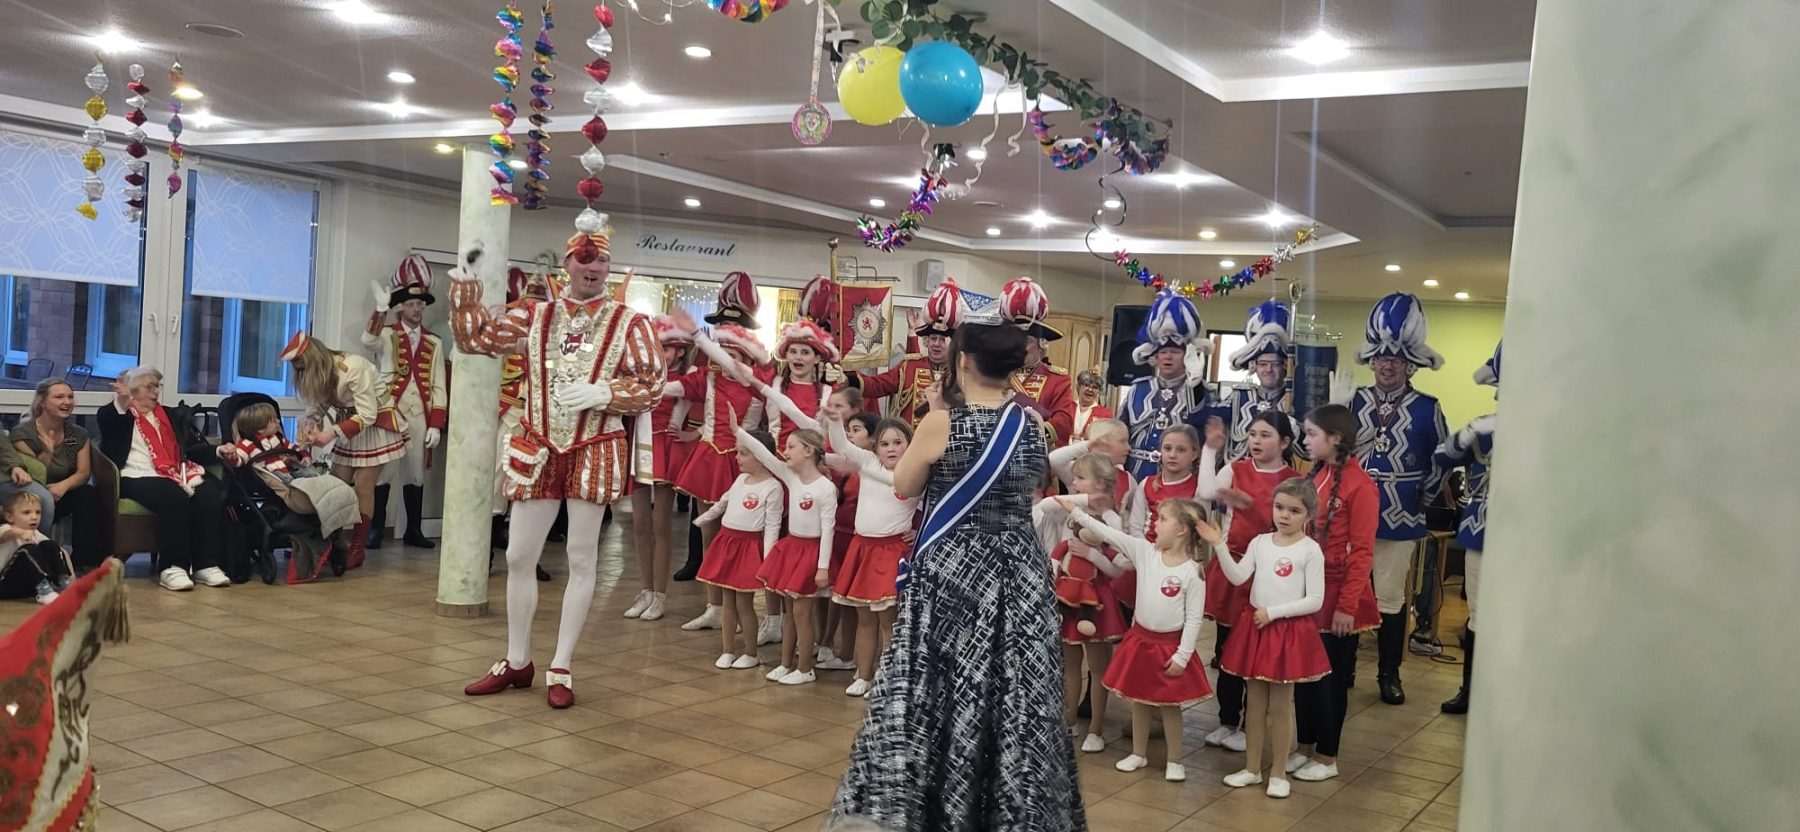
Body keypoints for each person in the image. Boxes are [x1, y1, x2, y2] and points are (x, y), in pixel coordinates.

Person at [831, 304, 1086, 831]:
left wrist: (932, 414)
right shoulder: (1030, 424)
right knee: (1013, 690)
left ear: (963, 360)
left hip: (954, 569)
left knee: (941, 687)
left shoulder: (941, 422)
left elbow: (904, 485)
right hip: (1019, 569)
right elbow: (1031, 483)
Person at [449, 219, 665, 710]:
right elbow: (475, 340)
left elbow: (652, 385)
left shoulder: (631, 323)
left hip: (595, 447)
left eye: (601, 260)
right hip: (539, 444)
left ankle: (561, 665)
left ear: (609, 267)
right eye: (584, 259)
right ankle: (517, 659)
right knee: (518, 556)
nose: (593, 267)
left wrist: (606, 392)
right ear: (567, 264)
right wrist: (465, 282)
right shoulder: (535, 314)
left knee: (582, 558)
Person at [1066, 498, 1214, 783]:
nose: (1154, 522)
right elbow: (1110, 535)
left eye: (1162, 518)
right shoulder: (1146, 553)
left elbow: (1194, 619)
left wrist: (1183, 655)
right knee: (1140, 701)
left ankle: (1174, 760)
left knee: (1170, 706)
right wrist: (1076, 512)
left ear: (1181, 529)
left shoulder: (1193, 572)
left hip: (1170, 647)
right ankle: (1138, 753)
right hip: (1140, 642)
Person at [1348, 292, 1449, 706]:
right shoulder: (1353, 400)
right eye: (1381, 358)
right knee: (1349, 592)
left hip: (1399, 516)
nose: (1387, 365)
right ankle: (1345, 667)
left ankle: (1389, 673)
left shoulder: (1428, 408)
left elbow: (1442, 460)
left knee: (1390, 598)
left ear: (1410, 365)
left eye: (1396, 360)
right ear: (1371, 361)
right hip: (1351, 515)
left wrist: (1420, 501)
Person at [1216, 478, 1330, 800]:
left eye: (1294, 510)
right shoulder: (1260, 543)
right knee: (1254, 703)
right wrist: (1218, 545)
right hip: (1257, 627)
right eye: (1280, 507)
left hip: (1286, 632)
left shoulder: (1310, 550)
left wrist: (1274, 613)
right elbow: (1238, 576)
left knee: (1281, 704)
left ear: (1308, 515)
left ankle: (1278, 773)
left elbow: (1315, 600)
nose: (1285, 515)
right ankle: (1251, 769)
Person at [668, 302, 776, 637]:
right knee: (709, 536)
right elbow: (676, 388)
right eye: (723, 352)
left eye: (733, 354)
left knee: (747, 540)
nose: (726, 360)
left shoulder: (758, 382)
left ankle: (750, 610)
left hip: (747, 467)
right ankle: (714, 607)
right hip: (710, 461)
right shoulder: (709, 378)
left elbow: (776, 418)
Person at [1197, 412, 1300, 753]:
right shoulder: (1237, 469)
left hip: (1268, 574)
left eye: (1265, 435)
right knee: (1226, 648)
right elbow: (1206, 491)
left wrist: (1253, 507)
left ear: (1284, 442)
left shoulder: (1293, 480)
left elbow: (1293, 526)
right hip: (1234, 567)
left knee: (1257, 651)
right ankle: (1227, 720)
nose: (1256, 441)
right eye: (1253, 434)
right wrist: (1211, 449)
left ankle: (1249, 724)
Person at [1290, 404, 1380, 783]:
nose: (1306, 440)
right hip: (1308, 591)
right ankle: (1305, 746)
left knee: (1330, 680)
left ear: (1336, 438)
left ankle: (1327, 756)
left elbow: (1362, 552)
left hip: (1338, 595)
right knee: (1305, 676)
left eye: (1312, 434)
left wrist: (1346, 606)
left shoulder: (1361, 487)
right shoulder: (1315, 477)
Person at [96, 367, 237, 591]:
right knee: (173, 495)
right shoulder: (117, 415)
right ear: (133, 390)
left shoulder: (168, 415)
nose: (155, 391)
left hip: (174, 472)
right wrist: (123, 401)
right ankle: (173, 567)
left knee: (209, 492)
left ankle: (205, 565)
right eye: (149, 386)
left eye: (157, 386)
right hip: (135, 475)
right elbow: (110, 421)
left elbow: (189, 448)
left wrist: (218, 451)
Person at [281, 331, 407, 574]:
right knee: (337, 484)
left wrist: (330, 434)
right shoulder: (322, 371)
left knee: (363, 487)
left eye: (303, 367)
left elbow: (368, 414)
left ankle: (357, 548)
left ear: (314, 360)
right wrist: (311, 423)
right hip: (352, 427)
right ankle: (334, 542)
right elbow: (321, 403)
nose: (302, 373)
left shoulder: (353, 368)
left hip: (376, 427)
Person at [1033, 454, 1126, 754]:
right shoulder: (1070, 509)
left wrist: (1092, 555)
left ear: (1101, 482)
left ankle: (1096, 728)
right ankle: (1069, 718)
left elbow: (1117, 569)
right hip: (1067, 596)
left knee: (1098, 667)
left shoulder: (1113, 520)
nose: (1073, 483)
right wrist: (1086, 498)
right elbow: (1045, 506)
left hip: (1099, 601)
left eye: (1081, 478)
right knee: (1069, 662)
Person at [823, 415, 917, 697]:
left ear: (910, 445)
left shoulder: (916, 474)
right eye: (884, 444)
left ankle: (887, 679)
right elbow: (841, 444)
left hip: (892, 553)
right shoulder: (867, 462)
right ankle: (864, 675)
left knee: (889, 621)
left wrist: (918, 529)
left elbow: (934, 506)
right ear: (875, 448)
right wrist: (834, 421)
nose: (891, 448)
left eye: (898, 443)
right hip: (862, 549)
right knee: (865, 618)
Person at [361, 253, 447, 550]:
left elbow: (439, 386)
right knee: (384, 473)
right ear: (400, 307)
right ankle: (375, 530)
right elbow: (367, 341)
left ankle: (413, 530)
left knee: (415, 473)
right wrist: (379, 311)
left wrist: (436, 424)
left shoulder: (434, 342)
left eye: (420, 304)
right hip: (390, 412)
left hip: (419, 414)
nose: (417, 309)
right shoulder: (386, 334)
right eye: (411, 304)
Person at [743, 420, 836, 686]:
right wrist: (737, 431)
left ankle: (805, 668)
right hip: (792, 549)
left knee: (801, 615)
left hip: (811, 553)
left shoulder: (825, 488)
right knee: (790, 613)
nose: (785, 451)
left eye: (791, 446)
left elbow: (828, 529)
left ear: (808, 451)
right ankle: (785, 664)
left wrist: (822, 567)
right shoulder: (791, 478)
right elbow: (764, 455)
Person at [623, 314, 699, 622]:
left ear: (680, 351)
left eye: (665, 349)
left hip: (668, 451)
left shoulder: (689, 376)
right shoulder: (641, 375)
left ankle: (660, 595)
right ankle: (645, 590)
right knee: (640, 525)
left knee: (661, 526)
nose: (659, 354)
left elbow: (714, 405)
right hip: (640, 449)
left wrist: (694, 434)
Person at [1437, 342, 1500, 715]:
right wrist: (1465, 434)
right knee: (1477, 613)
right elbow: (1442, 457)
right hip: (1480, 532)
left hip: (1527, 540)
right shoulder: (1484, 428)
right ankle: (1470, 691)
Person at [693, 428, 784, 671]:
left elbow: (772, 526)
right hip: (727, 543)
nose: (736, 458)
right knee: (727, 602)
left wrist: (768, 559)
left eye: (743, 453)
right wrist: (702, 520)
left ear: (761, 456)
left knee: (745, 604)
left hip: (748, 548)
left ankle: (750, 653)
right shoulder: (740, 479)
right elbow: (723, 502)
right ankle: (727, 650)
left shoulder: (773, 487)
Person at [491, 267, 554, 583]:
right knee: (496, 485)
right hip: (509, 414)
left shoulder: (554, 336)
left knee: (533, 490)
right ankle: (485, 553)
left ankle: (530, 558)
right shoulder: (507, 330)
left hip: (540, 422)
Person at [1119, 289, 1212, 481]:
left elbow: (1201, 427)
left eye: (1175, 352)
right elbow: (1119, 431)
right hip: (1134, 475)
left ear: (1187, 355)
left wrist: (1195, 382)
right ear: (1155, 356)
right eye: (1163, 352)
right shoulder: (1138, 389)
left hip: (1178, 478)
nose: (1168, 357)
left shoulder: (1199, 391)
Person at [846, 278, 961, 429]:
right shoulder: (909, 366)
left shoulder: (961, 373)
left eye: (942, 339)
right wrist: (845, 378)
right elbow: (876, 385)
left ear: (953, 344)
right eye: (933, 338)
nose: (936, 344)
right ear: (927, 341)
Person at [10, 378, 100, 569]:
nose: (67, 402)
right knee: (40, 501)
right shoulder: (23, 432)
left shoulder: (77, 434)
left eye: (70, 397)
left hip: (62, 490)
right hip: (34, 493)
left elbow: (83, 472)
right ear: (43, 402)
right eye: (59, 397)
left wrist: (63, 486)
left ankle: (84, 562)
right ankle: (40, 559)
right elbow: (36, 472)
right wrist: (48, 452)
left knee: (89, 495)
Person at [1221, 300, 1303, 461]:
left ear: (1285, 367)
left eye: (1275, 364)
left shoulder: (1295, 400)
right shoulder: (1239, 396)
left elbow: (1309, 451)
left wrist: (1297, 433)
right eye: (1263, 364)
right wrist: (1195, 385)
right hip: (1238, 473)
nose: (1269, 369)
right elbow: (1208, 419)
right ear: (1254, 367)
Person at [1002, 276, 1077, 448]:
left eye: (1025, 341)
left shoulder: (1057, 379)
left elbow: (1064, 423)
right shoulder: (994, 373)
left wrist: (1028, 433)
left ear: (1041, 344)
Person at [0, 492, 73, 604]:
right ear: (10, 517)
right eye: (26, 512)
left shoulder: (35, 534)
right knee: (28, 550)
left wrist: (72, 578)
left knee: (50, 545)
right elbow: (4, 535)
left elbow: (60, 552)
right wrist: (18, 532)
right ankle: (45, 591)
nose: (34, 517)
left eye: (38, 512)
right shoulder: (6, 529)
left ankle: (64, 584)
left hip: (28, 586)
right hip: (5, 585)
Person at [1073, 371, 1113, 440]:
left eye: (1095, 387)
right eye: (1086, 385)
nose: (1090, 390)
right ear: (1079, 387)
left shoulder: (1105, 414)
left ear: (1099, 391)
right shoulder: (1066, 407)